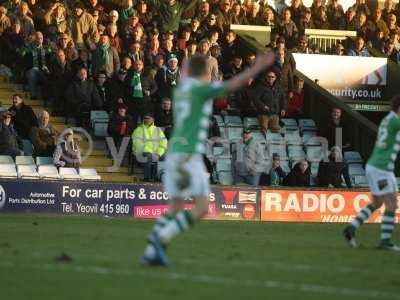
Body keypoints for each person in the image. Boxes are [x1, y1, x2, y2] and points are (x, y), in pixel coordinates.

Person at [141, 51, 275, 266]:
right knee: (202, 206)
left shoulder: (182, 89)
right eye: (209, 72)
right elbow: (230, 86)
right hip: (189, 153)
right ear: (203, 74)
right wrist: (255, 68)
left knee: (176, 205)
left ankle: (151, 250)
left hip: (176, 150)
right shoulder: (199, 89)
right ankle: (163, 237)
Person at [343, 95, 400, 251]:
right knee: (392, 203)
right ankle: (386, 242)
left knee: (377, 203)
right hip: (382, 168)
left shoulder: (389, 119)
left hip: (377, 166)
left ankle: (351, 229)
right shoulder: (395, 121)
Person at [131, 113, 167, 182]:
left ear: (153, 119)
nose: (146, 120)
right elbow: (138, 144)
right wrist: (152, 153)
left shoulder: (157, 130)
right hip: (141, 152)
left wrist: (159, 153)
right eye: (145, 118)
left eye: (148, 118)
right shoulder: (138, 130)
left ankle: (157, 177)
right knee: (148, 156)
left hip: (155, 153)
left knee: (166, 156)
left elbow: (163, 143)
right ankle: (147, 178)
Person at [254, 69, 287, 134]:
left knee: (275, 132)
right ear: (266, 77)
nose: (270, 78)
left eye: (272, 77)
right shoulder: (261, 87)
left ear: (275, 78)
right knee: (263, 131)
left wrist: (283, 109)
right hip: (263, 114)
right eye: (268, 76)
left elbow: (283, 100)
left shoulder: (279, 87)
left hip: (275, 114)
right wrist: (263, 106)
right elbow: (255, 99)